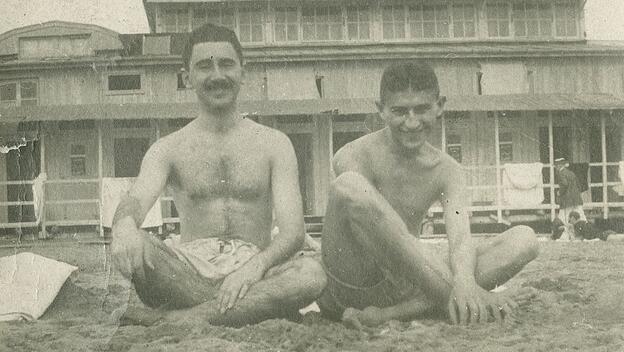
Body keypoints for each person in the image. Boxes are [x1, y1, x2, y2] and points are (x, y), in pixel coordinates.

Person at [111, 23, 326, 327]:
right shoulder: (168, 148)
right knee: (139, 246)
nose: (217, 76)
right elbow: (135, 200)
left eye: (226, 64)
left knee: (311, 275)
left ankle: (184, 318)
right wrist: (123, 226)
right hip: (188, 274)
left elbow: (293, 233)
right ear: (187, 78)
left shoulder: (275, 143)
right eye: (203, 66)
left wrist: (252, 269)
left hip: (256, 272)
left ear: (243, 71)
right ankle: (249, 310)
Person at [319, 62, 539, 328]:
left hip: (413, 282)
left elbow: (459, 239)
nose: (412, 123)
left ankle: (395, 314)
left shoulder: (448, 170)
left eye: (422, 109)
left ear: (440, 106)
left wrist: (465, 281)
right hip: (355, 279)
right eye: (400, 111)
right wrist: (464, 286)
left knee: (524, 239)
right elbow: (376, 240)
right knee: (349, 185)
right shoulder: (354, 154)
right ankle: (465, 298)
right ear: (381, 110)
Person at [555, 157, 586, 225]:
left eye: (556, 165)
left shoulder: (561, 173)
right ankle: (585, 228)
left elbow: (564, 184)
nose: (555, 167)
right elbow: (578, 185)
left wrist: (559, 192)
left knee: (564, 217)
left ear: (560, 165)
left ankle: (563, 231)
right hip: (576, 198)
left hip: (568, 199)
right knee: (580, 215)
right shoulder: (571, 173)